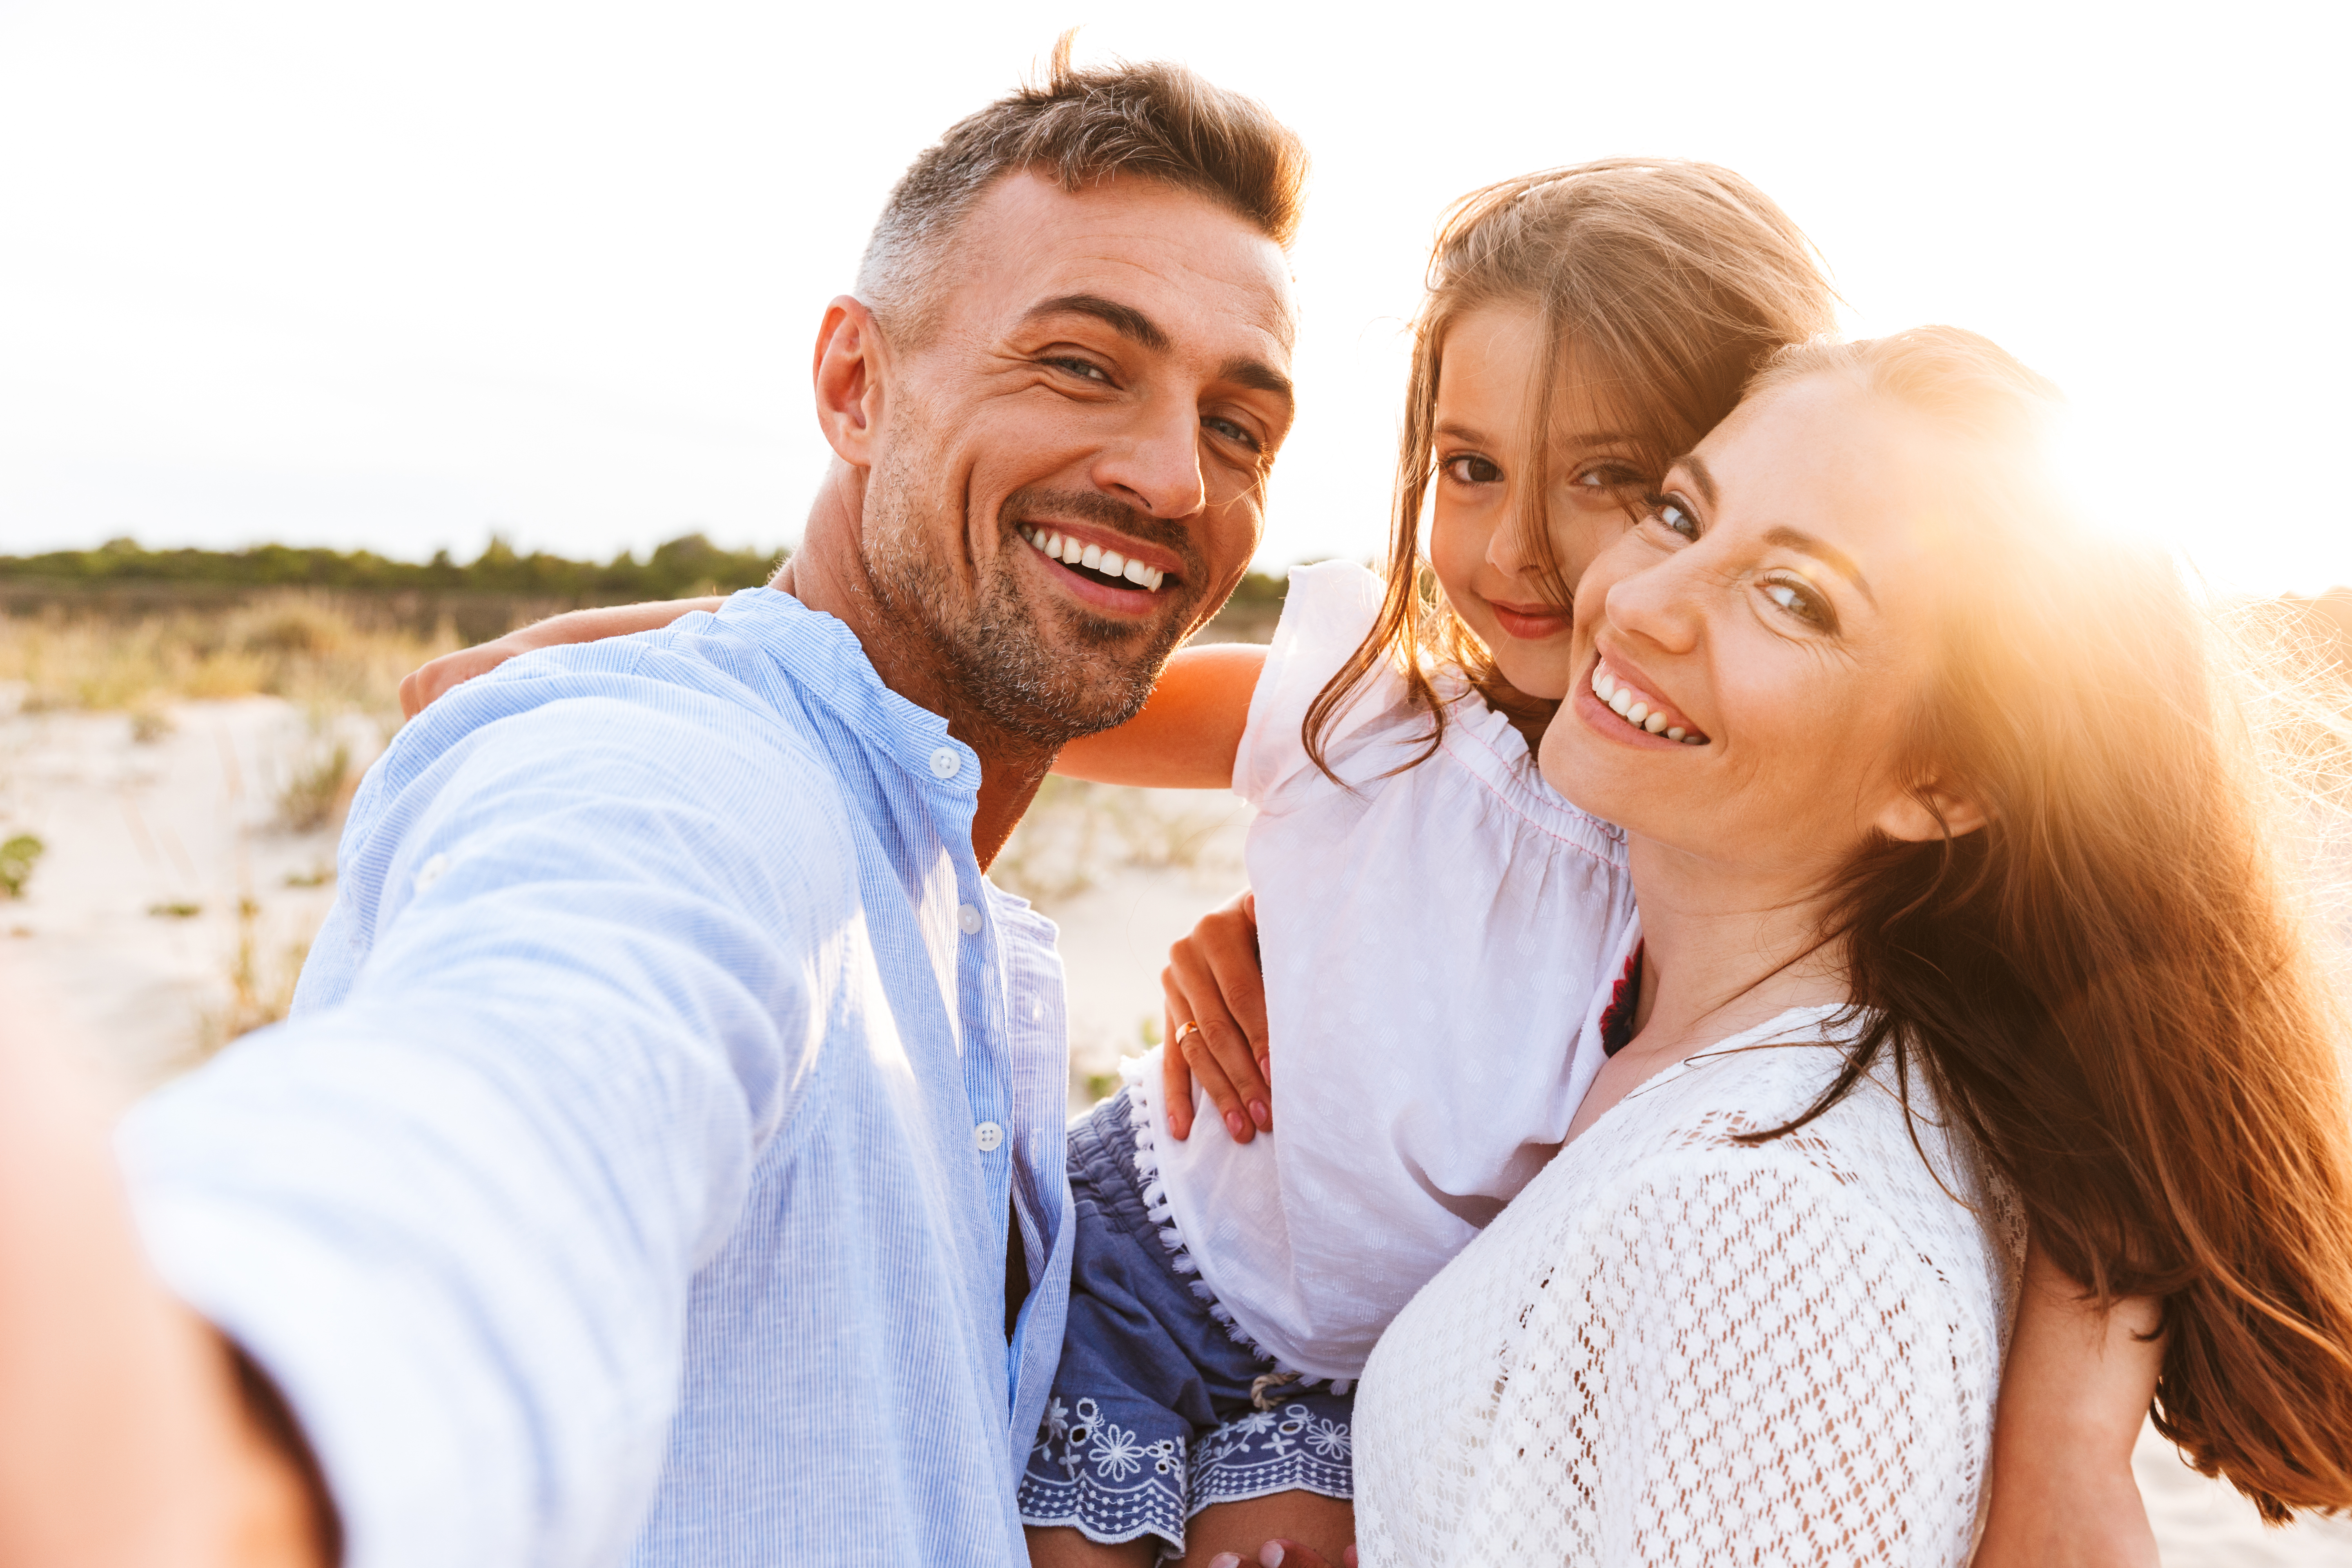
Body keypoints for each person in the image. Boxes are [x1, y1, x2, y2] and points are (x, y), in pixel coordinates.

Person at [415, 168, 2181, 1566]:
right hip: (1158, 1250)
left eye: (1629, 487)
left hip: (1349, 1368)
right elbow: (988, 680)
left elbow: (2091, 1024)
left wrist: (2070, 1440)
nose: (1541, 557)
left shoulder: (1721, 888)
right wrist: (608, 657)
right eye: (1471, 470)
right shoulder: (1378, 714)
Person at [0, 49, 1311, 1568]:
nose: (1172, 476)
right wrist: (221, 1426)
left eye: (1241, 427)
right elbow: (549, 1060)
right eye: (1082, 364)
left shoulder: (955, 916)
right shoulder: (690, 782)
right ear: (854, 384)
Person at [1332, 328, 2352, 1564]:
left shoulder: (1766, 1225)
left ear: (1946, 781)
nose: (1642, 602)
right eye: (1676, 512)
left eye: (1795, 598)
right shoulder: (1677, 1042)